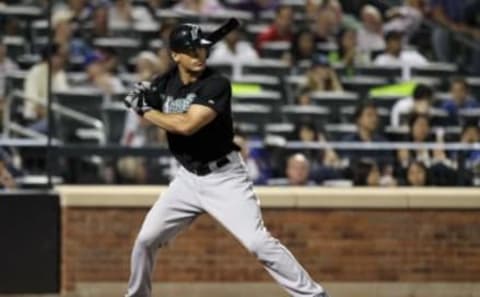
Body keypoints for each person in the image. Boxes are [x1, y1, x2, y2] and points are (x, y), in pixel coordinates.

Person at [123, 23, 330, 297]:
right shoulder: (168, 82)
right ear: (175, 55)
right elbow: (151, 98)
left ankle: (313, 295)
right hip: (187, 179)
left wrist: (145, 109)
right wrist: (143, 94)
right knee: (145, 240)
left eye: (202, 49)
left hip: (225, 178)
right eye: (190, 50)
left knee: (258, 243)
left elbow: (185, 125)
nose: (198, 55)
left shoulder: (216, 84)